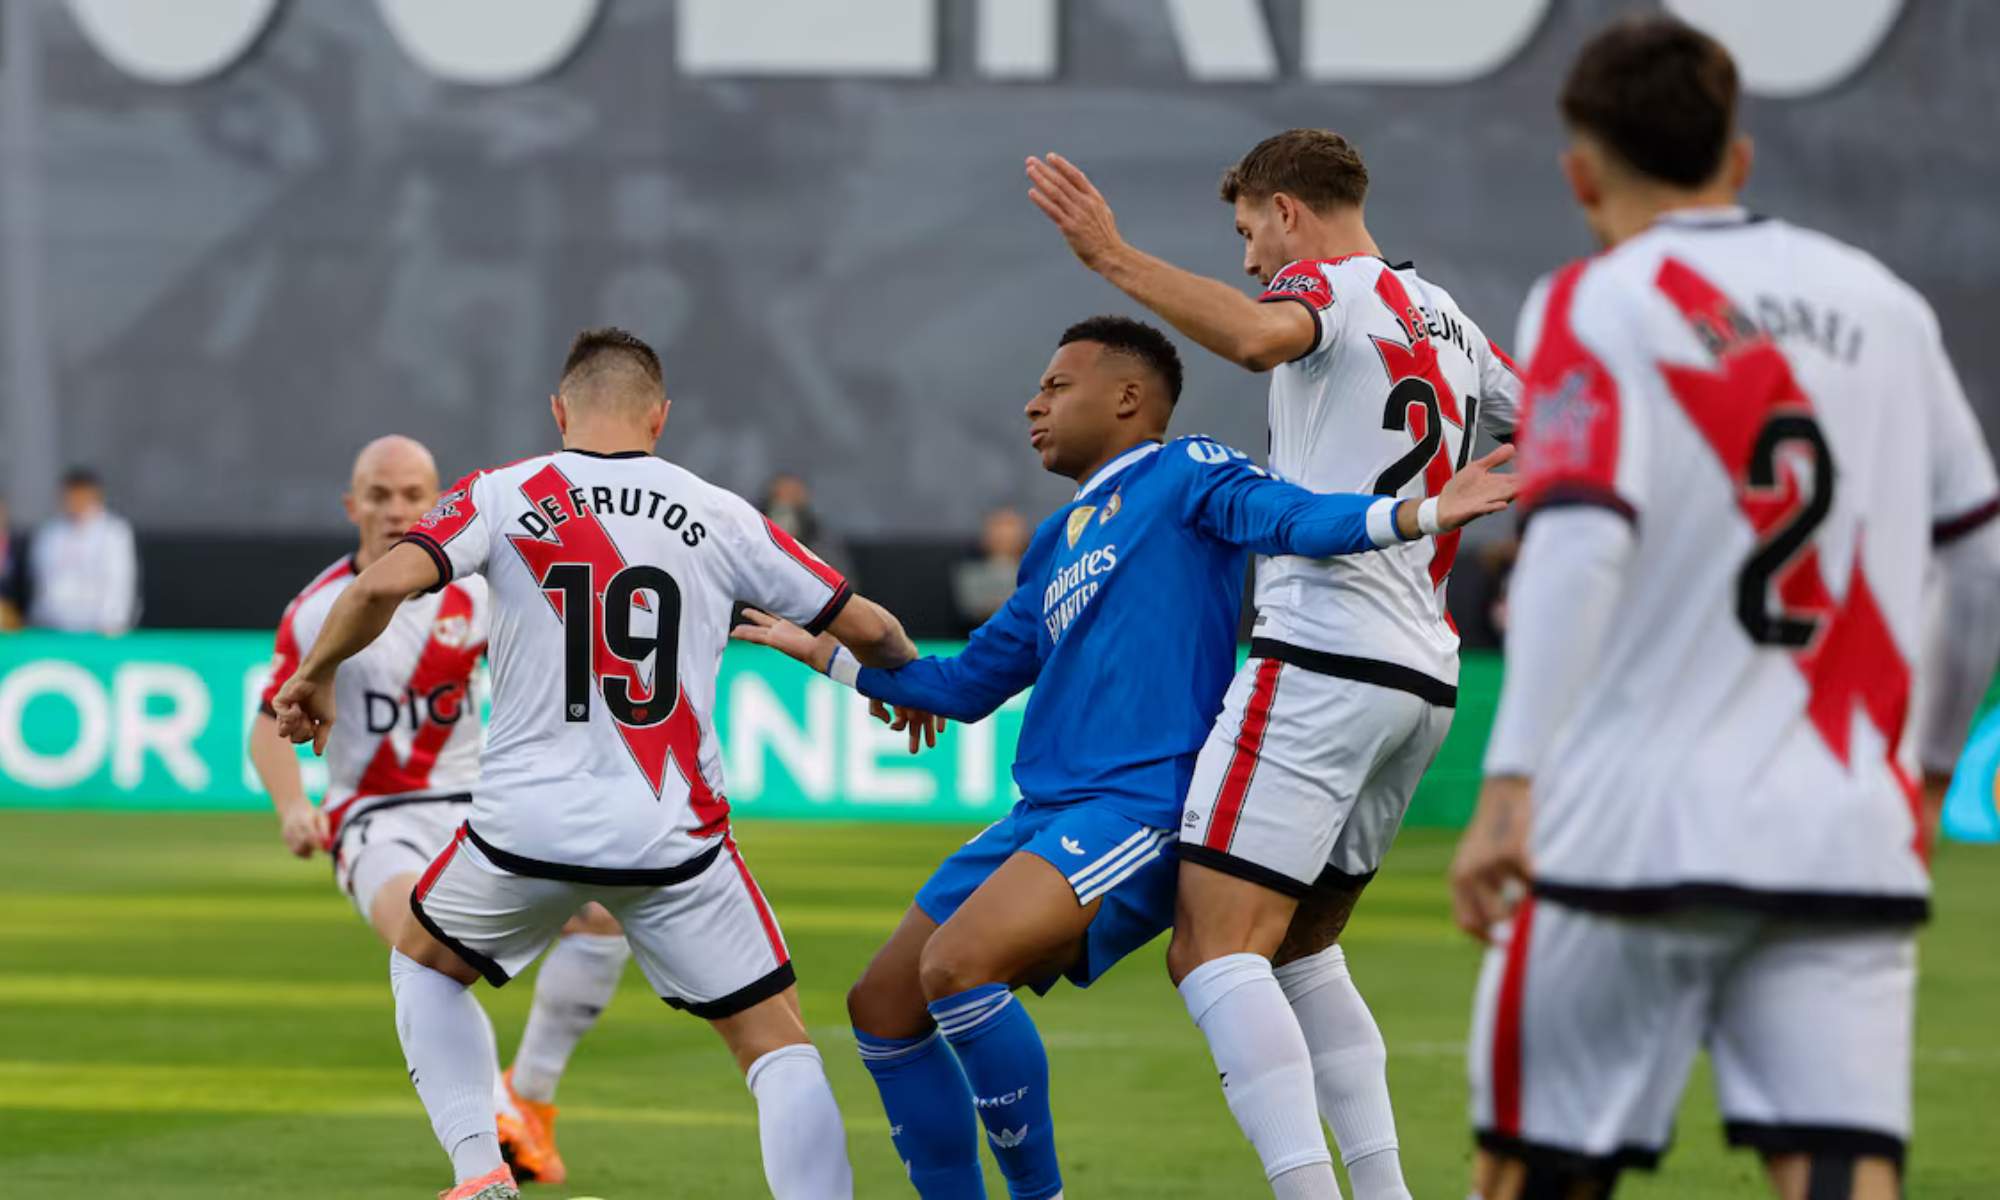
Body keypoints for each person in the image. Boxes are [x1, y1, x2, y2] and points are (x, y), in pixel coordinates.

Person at [733, 315, 1516, 1200]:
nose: (1034, 403)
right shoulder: (1054, 541)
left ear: (1129, 398)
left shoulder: (1187, 473)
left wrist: (1416, 513)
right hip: (1046, 813)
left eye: (1057, 386)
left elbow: (1288, 516)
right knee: (880, 1006)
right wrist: (830, 657)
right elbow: (965, 687)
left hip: (1142, 805)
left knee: (958, 968)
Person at [1446, 17, 2000, 1200]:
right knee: (1839, 1169)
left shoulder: (1593, 300)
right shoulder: (1885, 306)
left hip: (1628, 828)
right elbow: (1980, 561)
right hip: (1843, 827)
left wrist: (1508, 785)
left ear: (1577, 173)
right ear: (1735, 159)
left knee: (1532, 1168)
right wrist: (1932, 769)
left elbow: (1578, 539)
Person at [274, 327, 909, 1200]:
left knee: (426, 965)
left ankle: (478, 1169)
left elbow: (379, 585)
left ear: (558, 411)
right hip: (673, 835)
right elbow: (866, 626)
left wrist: (313, 676)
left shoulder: (503, 494)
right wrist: (909, 682)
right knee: (777, 1046)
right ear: (661, 416)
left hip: (518, 831)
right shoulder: (719, 510)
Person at [1027, 131, 1521, 1197]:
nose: (1250, 257)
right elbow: (1564, 432)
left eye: (1248, 231)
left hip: (1320, 655)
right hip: (1421, 679)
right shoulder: (1450, 325)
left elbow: (1258, 338)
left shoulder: (1325, 288)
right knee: (1295, 949)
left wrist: (1112, 259)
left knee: (1209, 952)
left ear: (1287, 212)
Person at [248, 434, 627, 1186]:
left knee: (605, 921)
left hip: (474, 809)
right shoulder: (317, 609)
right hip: (373, 818)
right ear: (351, 505)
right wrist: (293, 804)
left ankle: (529, 1099)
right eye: (379, 495)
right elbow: (269, 719)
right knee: (425, 949)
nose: (395, 510)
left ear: (438, 501)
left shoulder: (479, 593)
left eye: (412, 495)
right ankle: (490, 1142)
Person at [26, 466, 140, 633]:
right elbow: (42, 584)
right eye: (70, 494)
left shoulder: (114, 533)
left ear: (95, 495)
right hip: (53, 631)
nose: (75, 500)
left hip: (100, 632)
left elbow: (119, 583)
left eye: (81, 494)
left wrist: (112, 624)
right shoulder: (49, 534)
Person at [951, 506, 1031, 627]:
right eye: (998, 529)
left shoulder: (1035, 576)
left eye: (1009, 528)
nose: (1004, 536)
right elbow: (971, 610)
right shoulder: (971, 575)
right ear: (985, 538)